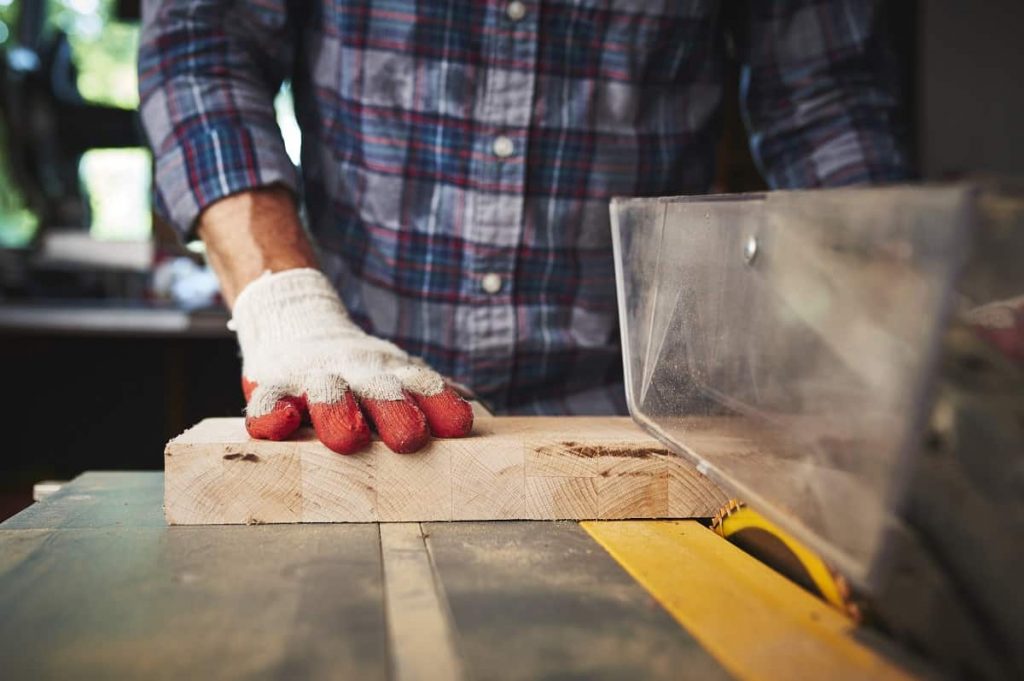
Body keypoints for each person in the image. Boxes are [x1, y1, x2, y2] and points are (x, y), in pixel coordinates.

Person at [138, 1, 908, 454]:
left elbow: (823, 97)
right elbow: (201, 49)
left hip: (640, 419)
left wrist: (891, 308)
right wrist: (287, 307)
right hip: (358, 390)